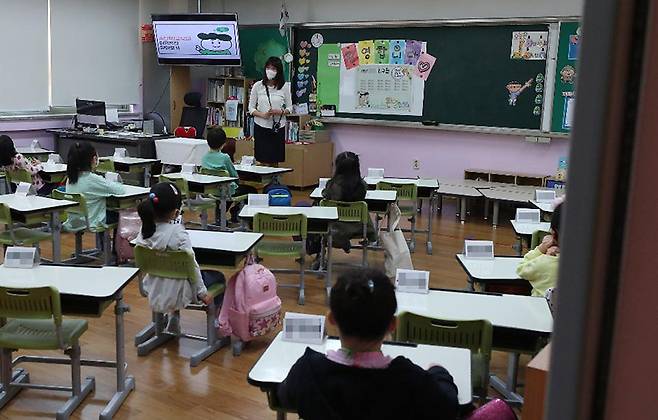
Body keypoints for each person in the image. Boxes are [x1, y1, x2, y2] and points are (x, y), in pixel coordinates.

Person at [277, 268, 459, 420]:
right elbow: (448, 405)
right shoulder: (410, 379)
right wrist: (438, 372)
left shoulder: (307, 370)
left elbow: (284, 397)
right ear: (392, 325)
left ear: (331, 319)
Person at [134, 182, 213, 335]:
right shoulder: (179, 234)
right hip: (180, 291)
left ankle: (173, 317)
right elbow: (192, 267)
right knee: (218, 278)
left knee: (171, 272)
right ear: (176, 213)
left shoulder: (143, 233)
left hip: (153, 286)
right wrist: (202, 293)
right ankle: (216, 324)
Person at [317, 151, 376, 256]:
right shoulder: (362, 186)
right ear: (357, 167)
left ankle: (321, 254)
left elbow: (325, 196)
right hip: (358, 228)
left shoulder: (331, 186)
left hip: (335, 227)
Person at [63, 141, 125, 231]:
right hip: (92, 221)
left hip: (75, 221)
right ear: (93, 159)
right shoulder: (92, 179)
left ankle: (103, 244)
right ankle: (114, 245)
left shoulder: (71, 178)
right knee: (122, 215)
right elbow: (120, 190)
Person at [201, 127, 256, 222]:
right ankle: (237, 213)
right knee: (251, 190)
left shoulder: (204, 157)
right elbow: (234, 176)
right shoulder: (225, 157)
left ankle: (220, 218)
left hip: (211, 190)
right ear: (224, 143)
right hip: (227, 191)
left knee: (224, 190)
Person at [248, 56, 292, 166]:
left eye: (273, 69)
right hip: (261, 127)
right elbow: (251, 108)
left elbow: (290, 108)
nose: (270, 71)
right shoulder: (258, 86)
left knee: (275, 160)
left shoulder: (284, 87)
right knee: (261, 160)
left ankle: (274, 181)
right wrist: (263, 115)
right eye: (268, 68)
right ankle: (263, 182)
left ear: (279, 71)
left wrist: (279, 112)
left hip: (277, 128)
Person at [517, 202, 563, 297]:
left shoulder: (546, 262)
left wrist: (541, 249)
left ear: (553, 233)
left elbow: (521, 269)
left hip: (540, 310)